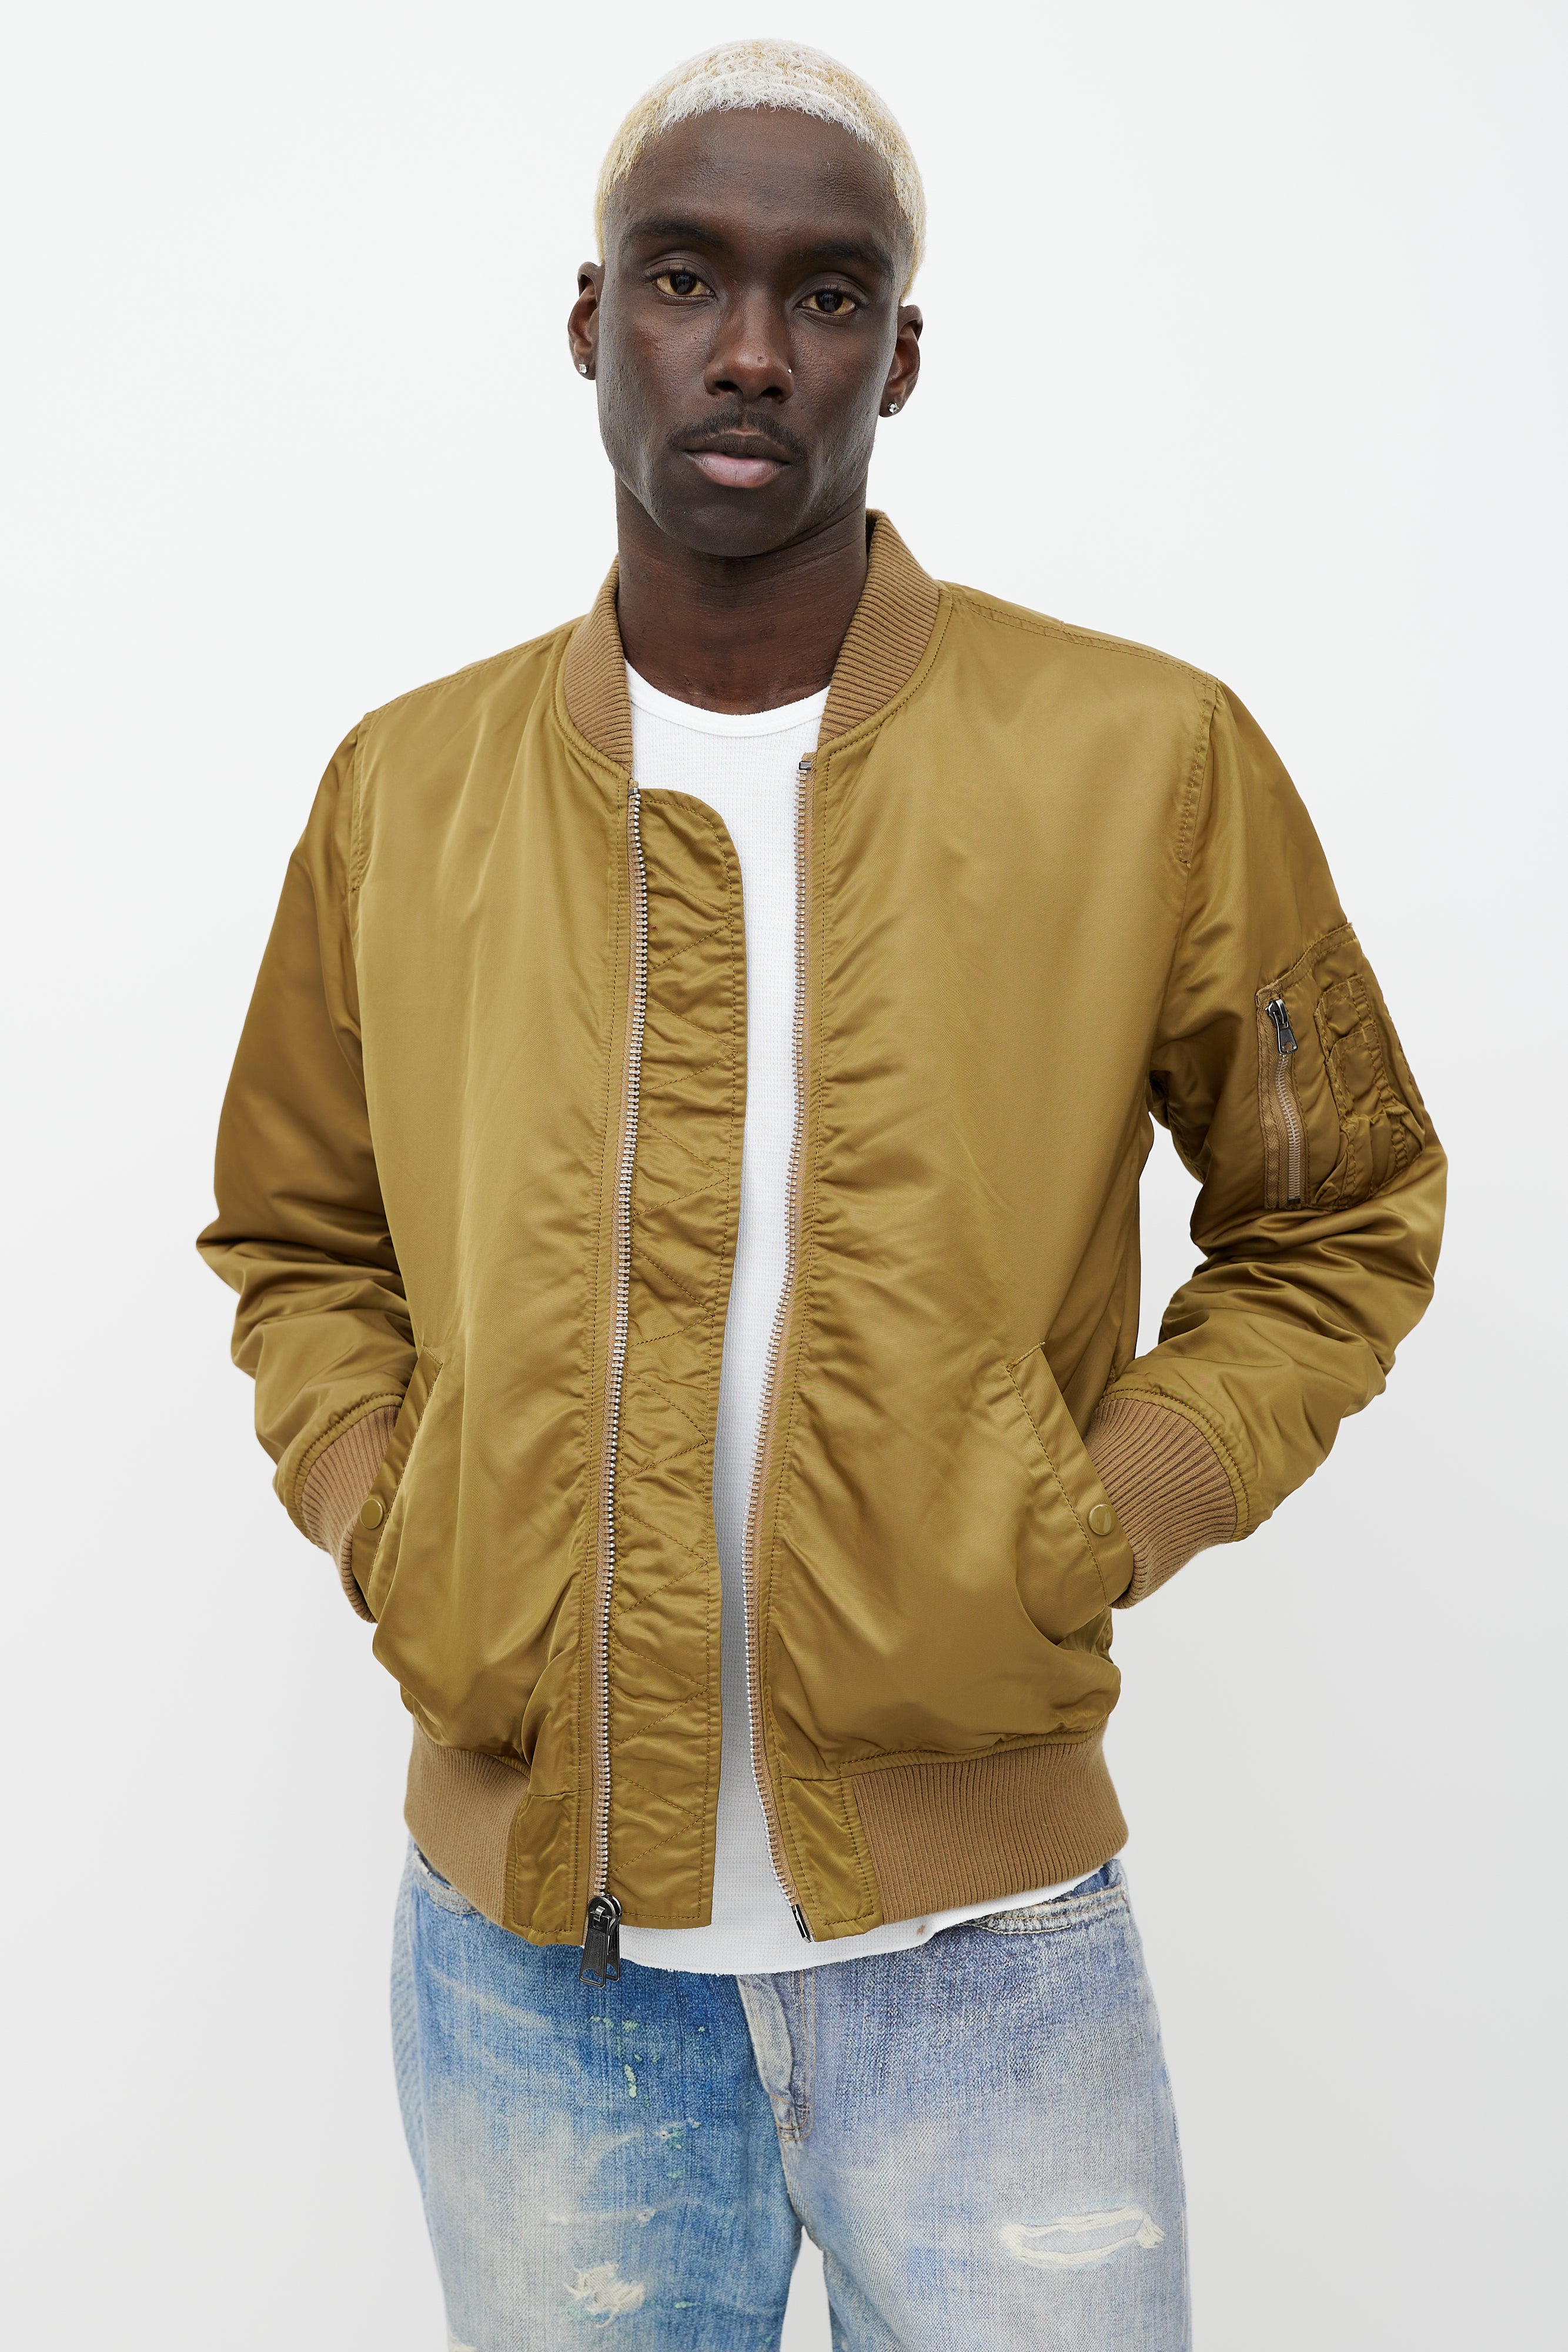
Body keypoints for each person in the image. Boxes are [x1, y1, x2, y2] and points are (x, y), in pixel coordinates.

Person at [199, 39, 1445, 2351]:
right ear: (593, 323)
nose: (753, 349)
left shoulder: (1143, 760)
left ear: (902, 352)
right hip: (528, 1975)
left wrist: (1097, 1513)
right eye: (686, 279)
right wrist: (397, 1510)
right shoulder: (407, 790)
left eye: (827, 293)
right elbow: (296, 1235)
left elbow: (1337, 1211)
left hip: (990, 1968)